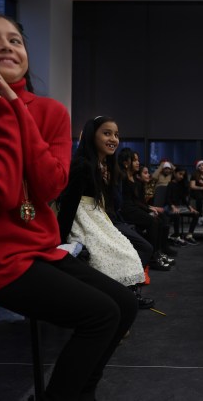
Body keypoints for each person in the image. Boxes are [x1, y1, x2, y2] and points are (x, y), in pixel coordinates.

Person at [0, 12, 137, 400]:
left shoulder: (50, 112)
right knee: (101, 314)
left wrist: (15, 110)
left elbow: (49, 186)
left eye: (15, 40)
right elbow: (3, 193)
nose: (6, 46)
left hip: (38, 249)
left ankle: (80, 393)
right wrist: (2, 114)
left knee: (125, 304)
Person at [57, 117, 156, 309]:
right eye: (107, 133)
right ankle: (115, 302)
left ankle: (124, 299)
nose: (113, 138)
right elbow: (69, 203)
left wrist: (110, 180)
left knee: (132, 251)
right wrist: (60, 238)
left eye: (116, 135)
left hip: (101, 217)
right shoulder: (82, 164)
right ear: (91, 136)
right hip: (84, 219)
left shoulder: (107, 167)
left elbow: (112, 204)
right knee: (116, 254)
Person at [117, 148, 175, 269]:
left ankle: (158, 253)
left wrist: (149, 208)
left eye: (138, 160)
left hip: (133, 207)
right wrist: (148, 209)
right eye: (135, 160)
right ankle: (153, 258)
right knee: (152, 221)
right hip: (126, 210)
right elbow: (126, 201)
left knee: (158, 220)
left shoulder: (133, 178)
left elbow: (137, 201)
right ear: (126, 162)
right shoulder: (121, 177)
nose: (138, 162)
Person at [165, 166, 199, 245]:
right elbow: (167, 199)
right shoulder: (170, 184)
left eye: (183, 175)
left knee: (196, 214)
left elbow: (184, 199)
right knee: (176, 214)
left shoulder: (181, 185)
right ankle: (176, 236)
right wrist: (173, 207)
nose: (181, 176)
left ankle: (189, 235)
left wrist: (190, 207)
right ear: (174, 173)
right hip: (169, 206)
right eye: (180, 174)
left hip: (179, 207)